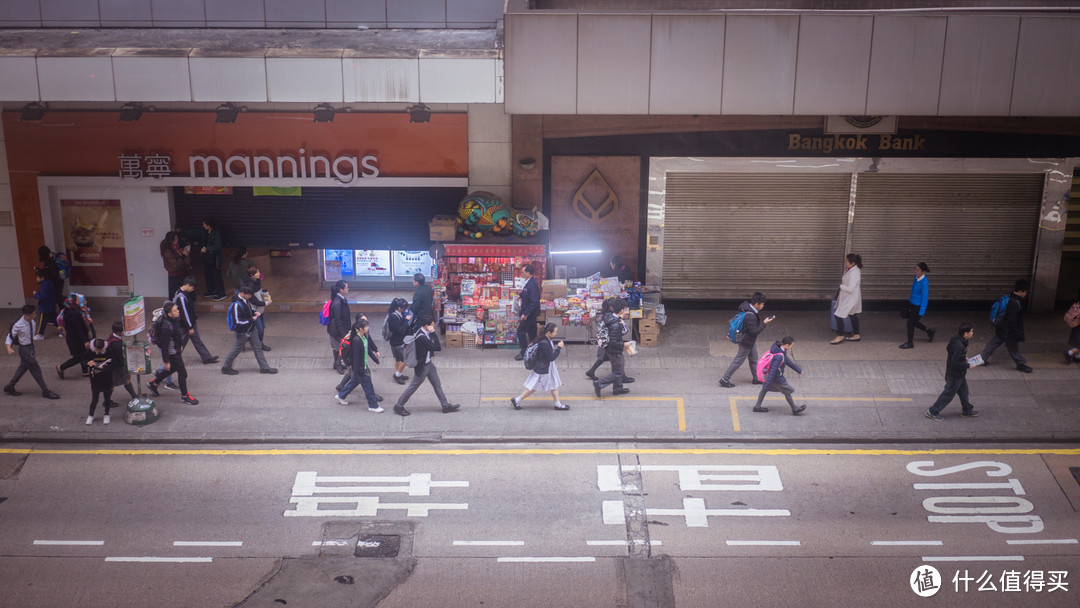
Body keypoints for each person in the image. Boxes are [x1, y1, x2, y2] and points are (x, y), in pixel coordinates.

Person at [392, 315, 460, 417]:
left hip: (429, 364)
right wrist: (433, 334)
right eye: (432, 324)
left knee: (437, 384)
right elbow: (437, 347)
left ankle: (445, 405)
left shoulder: (421, 332)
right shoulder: (422, 338)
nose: (433, 326)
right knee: (413, 386)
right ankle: (399, 405)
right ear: (426, 326)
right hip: (422, 367)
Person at [146, 301, 199, 405]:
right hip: (172, 352)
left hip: (175, 349)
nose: (178, 311)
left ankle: (154, 383)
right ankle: (184, 396)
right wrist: (166, 361)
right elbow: (165, 346)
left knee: (174, 368)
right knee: (182, 373)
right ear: (169, 314)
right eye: (175, 310)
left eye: (177, 309)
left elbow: (176, 335)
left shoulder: (173, 319)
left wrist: (180, 345)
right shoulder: (166, 326)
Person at [4, 304, 60, 399]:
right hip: (25, 350)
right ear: (28, 315)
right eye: (34, 313)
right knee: (36, 370)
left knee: (23, 367)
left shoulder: (31, 322)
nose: (36, 314)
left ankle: (10, 386)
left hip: (30, 347)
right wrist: (9, 347)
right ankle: (45, 391)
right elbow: (10, 336)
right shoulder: (18, 325)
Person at [925, 323, 979, 420]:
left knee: (964, 392)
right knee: (948, 394)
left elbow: (950, 350)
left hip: (959, 374)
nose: (972, 333)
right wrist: (967, 365)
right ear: (965, 333)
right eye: (971, 331)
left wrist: (963, 357)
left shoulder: (957, 339)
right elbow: (955, 362)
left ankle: (967, 409)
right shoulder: (959, 345)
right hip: (955, 375)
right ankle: (933, 411)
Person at [719, 292, 774, 388]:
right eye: (762, 304)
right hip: (746, 341)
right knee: (739, 360)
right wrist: (764, 323)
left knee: (753, 358)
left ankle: (756, 378)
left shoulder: (746, 309)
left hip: (749, 340)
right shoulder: (751, 315)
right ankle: (724, 379)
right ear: (757, 305)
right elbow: (755, 331)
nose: (763, 306)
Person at [511, 323, 568, 411]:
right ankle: (517, 400)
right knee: (534, 387)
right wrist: (559, 348)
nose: (556, 333)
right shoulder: (544, 343)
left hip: (546, 367)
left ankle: (558, 404)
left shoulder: (546, 339)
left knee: (553, 385)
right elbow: (551, 357)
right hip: (543, 369)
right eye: (555, 331)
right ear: (549, 332)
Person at [221, 286, 278, 375]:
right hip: (243, 331)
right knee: (237, 349)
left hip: (251, 328)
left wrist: (253, 312)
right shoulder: (236, 305)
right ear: (242, 294)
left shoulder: (245, 299)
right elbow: (237, 321)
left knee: (258, 347)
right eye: (248, 295)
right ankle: (226, 367)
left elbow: (247, 309)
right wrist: (252, 319)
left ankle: (264, 367)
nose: (250, 297)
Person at [979, 279, 1033, 373]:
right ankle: (1020, 364)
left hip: (1002, 328)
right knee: (1013, 348)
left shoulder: (1009, 297)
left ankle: (982, 359)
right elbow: (1012, 320)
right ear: (1020, 291)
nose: (1026, 294)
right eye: (1025, 292)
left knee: (993, 343)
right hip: (1009, 331)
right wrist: (1016, 332)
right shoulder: (1014, 303)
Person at [334, 316, 384, 412]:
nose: (368, 328)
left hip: (360, 367)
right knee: (368, 387)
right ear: (361, 328)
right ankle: (373, 406)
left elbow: (367, 349)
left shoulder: (363, 336)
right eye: (366, 326)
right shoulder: (357, 340)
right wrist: (360, 370)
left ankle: (341, 395)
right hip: (361, 367)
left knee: (354, 382)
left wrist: (375, 358)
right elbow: (356, 357)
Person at [585, 297, 635, 384]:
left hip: (605, 341)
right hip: (610, 342)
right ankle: (618, 378)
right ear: (612, 308)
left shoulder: (607, 316)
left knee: (604, 357)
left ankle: (592, 371)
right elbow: (621, 333)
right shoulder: (613, 319)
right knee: (617, 360)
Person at [751, 336, 806, 415]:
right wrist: (768, 383)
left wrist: (798, 370)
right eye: (791, 346)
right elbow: (773, 370)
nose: (791, 348)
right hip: (777, 378)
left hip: (772, 377)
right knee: (787, 391)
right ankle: (794, 409)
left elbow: (787, 361)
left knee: (764, 390)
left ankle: (757, 407)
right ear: (787, 345)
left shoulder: (778, 349)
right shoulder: (779, 356)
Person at [174, 276, 219, 364]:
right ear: (187, 285)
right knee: (182, 342)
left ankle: (207, 358)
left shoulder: (183, 294)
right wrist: (190, 327)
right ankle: (174, 359)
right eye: (192, 287)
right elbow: (184, 314)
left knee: (196, 340)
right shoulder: (181, 297)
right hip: (185, 325)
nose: (193, 289)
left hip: (189, 322)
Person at [593, 298, 632, 398]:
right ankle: (600, 383)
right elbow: (613, 342)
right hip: (614, 350)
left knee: (618, 367)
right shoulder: (615, 324)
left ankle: (618, 388)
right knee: (618, 371)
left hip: (609, 349)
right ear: (622, 310)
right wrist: (624, 345)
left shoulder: (609, 317)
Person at [900, 262, 936, 349]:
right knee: (913, 321)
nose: (915, 271)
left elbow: (925, 297)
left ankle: (910, 343)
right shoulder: (916, 278)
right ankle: (929, 331)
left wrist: (922, 311)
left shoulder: (924, 282)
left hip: (918, 306)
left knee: (910, 323)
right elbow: (913, 292)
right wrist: (909, 303)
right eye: (915, 269)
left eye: (917, 270)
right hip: (912, 304)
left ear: (922, 271)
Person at [56, 293, 93, 379]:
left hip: (74, 338)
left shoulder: (68, 310)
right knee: (78, 357)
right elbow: (78, 329)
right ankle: (61, 367)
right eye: (76, 300)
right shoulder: (73, 314)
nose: (78, 301)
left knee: (84, 354)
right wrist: (85, 340)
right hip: (76, 339)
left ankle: (85, 371)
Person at [83, 338, 119, 425]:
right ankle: (91, 415)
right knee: (95, 398)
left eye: (101, 349)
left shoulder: (109, 351)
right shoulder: (90, 352)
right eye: (97, 349)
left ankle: (107, 414)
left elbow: (114, 363)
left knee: (107, 398)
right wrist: (88, 362)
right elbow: (82, 360)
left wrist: (104, 368)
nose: (99, 351)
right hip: (95, 378)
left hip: (107, 378)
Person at [104, 320, 139, 406]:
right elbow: (120, 357)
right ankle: (107, 402)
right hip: (117, 366)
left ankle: (107, 401)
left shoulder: (112, 336)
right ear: (118, 332)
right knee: (124, 380)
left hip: (113, 364)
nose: (125, 331)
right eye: (123, 330)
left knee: (112, 383)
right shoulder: (116, 344)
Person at [830, 253, 863, 344]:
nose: (845, 262)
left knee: (838, 315)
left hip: (850, 299)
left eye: (846, 261)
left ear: (852, 263)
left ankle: (840, 335)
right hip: (849, 298)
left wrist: (841, 286)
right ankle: (856, 334)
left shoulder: (854, 273)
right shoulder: (851, 269)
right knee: (852, 315)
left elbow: (850, 289)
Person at [514, 264, 541, 361]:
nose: (521, 274)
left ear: (528, 273)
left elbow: (534, 302)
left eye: (523, 272)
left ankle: (524, 352)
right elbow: (526, 292)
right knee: (532, 333)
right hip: (529, 313)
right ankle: (534, 352)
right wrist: (520, 295)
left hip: (529, 314)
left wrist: (526, 313)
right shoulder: (528, 282)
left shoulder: (533, 284)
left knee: (521, 331)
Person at [242, 266, 270, 351]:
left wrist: (265, 294)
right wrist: (265, 303)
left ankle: (258, 343)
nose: (259, 274)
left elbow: (259, 292)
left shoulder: (257, 281)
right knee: (259, 328)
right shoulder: (249, 286)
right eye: (257, 273)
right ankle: (258, 344)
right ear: (251, 275)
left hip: (260, 309)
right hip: (254, 310)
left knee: (261, 327)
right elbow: (253, 300)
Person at [386, 298, 413, 385]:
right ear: (399, 308)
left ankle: (398, 373)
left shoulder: (395, 314)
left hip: (395, 341)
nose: (405, 310)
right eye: (404, 308)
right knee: (405, 359)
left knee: (397, 358)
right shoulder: (394, 317)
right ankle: (397, 374)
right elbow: (400, 329)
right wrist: (406, 320)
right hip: (397, 341)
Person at [327, 280, 352, 373]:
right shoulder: (337, 303)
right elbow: (338, 320)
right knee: (342, 347)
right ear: (341, 290)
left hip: (337, 329)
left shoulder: (341, 299)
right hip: (336, 331)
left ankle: (337, 363)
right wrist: (343, 334)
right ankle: (338, 363)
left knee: (338, 347)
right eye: (346, 287)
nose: (348, 289)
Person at [199, 218, 226, 301]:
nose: (203, 226)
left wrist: (207, 248)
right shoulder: (205, 232)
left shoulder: (216, 233)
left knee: (216, 275)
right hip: (207, 258)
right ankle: (211, 291)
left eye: (204, 224)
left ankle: (221, 293)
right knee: (208, 274)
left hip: (215, 258)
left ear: (209, 225)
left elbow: (218, 246)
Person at [160, 231, 191, 297]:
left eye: (177, 238)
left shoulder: (176, 248)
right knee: (176, 294)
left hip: (182, 273)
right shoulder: (167, 250)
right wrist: (183, 256)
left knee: (183, 293)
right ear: (171, 240)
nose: (177, 240)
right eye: (176, 239)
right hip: (175, 276)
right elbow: (175, 264)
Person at [32, 269, 57, 340]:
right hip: (51, 305)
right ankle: (63, 330)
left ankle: (40, 334)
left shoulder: (43, 285)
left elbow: (42, 297)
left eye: (37, 277)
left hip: (45, 306)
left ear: (42, 277)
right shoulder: (50, 283)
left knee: (42, 320)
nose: (36, 279)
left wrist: (35, 294)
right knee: (55, 319)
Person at [1066, 288, 1080, 365]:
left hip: (1077, 322)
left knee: (1078, 340)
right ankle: (1070, 353)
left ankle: (1077, 357)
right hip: (1078, 323)